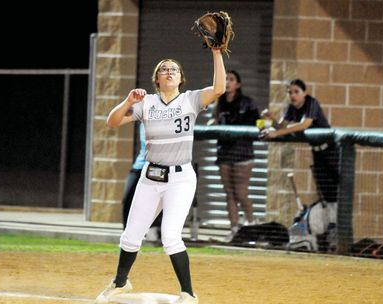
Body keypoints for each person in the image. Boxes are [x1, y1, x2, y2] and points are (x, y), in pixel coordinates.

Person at [96, 46, 226, 304]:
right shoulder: (147, 103)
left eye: (174, 70)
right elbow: (112, 121)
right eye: (164, 69)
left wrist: (217, 52)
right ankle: (121, 282)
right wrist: (128, 101)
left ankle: (188, 293)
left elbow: (219, 88)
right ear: (156, 79)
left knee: (170, 235)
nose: (169, 72)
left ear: (181, 78)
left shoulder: (190, 99)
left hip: (180, 178)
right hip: (150, 176)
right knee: (131, 234)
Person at [260, 78, 340, 251]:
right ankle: (330, 230)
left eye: (296, 92)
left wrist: (277, 133)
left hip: (331, 151)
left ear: (304, 92)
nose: (293, 95)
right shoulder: (291, 107)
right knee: (326, 192)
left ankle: (337, 228)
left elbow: (304, 125)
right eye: (290, 92)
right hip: (317, 153)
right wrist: (271, 119)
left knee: (337, 190)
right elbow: (283, 125)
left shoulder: (311, 103)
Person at [208, 70, 260, 240]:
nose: (228, 82)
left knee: (241, 193)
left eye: (231, 80)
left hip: (243, 154)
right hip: (224, 153)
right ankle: (234, 229)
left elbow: (257, 124)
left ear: (238, 84)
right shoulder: (219, 104)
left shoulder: (248, 103)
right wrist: (212, 122)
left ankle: (251, 226)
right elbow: (213, 120)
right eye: (225, 79)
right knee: (229, 194)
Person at [122, 122, 162, 242]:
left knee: (154, 201)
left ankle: (153, 230)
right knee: (128, 198)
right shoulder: (143, 119)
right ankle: (128, 234)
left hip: (157, 167)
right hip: (139, 166)